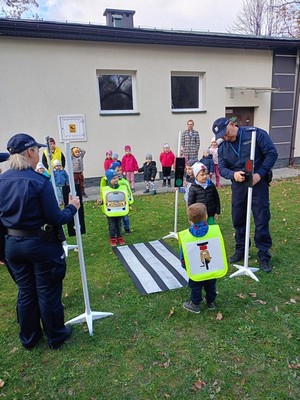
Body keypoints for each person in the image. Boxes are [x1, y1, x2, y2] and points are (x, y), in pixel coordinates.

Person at [0, 133, 80, 350]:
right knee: (47, 291)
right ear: (30, 153)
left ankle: (29, 337)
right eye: (37, 151)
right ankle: (55, 336)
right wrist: (73, 206)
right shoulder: (39, 181)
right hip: (40, 245)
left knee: (26, 291)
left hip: (13, 246)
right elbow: (56, 218)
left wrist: (2, 252)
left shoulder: (1, 181)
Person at [212, 117, 278, 272]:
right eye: (222, 136)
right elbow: (222, 168)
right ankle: (241, 250)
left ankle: (263, 254)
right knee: (238, 218)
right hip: (238, 186)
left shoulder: (256, 134)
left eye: (225, 133)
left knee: (261, 218)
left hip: (258, 183)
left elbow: (271, 154)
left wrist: (259, 174)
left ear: (231, 124)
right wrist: (233, 174)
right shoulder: (223, 147)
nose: (225, 137)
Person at [178, 203, 227, 313]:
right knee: (211, 285)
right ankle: (210, 302)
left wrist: (184, 266)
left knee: (195, 286)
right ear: (205, 216)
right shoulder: (214, 232)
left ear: (189, 219)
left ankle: (195, 304)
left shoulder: (186, 237)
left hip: (195, 269)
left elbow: (183, 254)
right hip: (212, 267)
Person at [99, 169, 128, 246]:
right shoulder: (106, 190)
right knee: (112, 226)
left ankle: (119, 237)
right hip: (111, 212)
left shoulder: (121, 188)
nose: (116, 180)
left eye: (116, 178)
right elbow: (104, 200)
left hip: (119, 210)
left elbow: (125, 198)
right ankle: (112, 238)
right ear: (109, 180)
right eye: (113, 178)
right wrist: (100, 202)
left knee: (119, 225)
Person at [109, 161, 133, 235]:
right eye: (117, 170)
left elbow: (128, 192)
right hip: (115, 203)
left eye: (120, 170)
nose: (119, 172)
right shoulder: (111, 182)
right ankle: (116, 231)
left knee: (125, 217)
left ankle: (127, 228)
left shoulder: (124, 181)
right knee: (116, 218)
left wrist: (129, 202)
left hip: (124, 202)